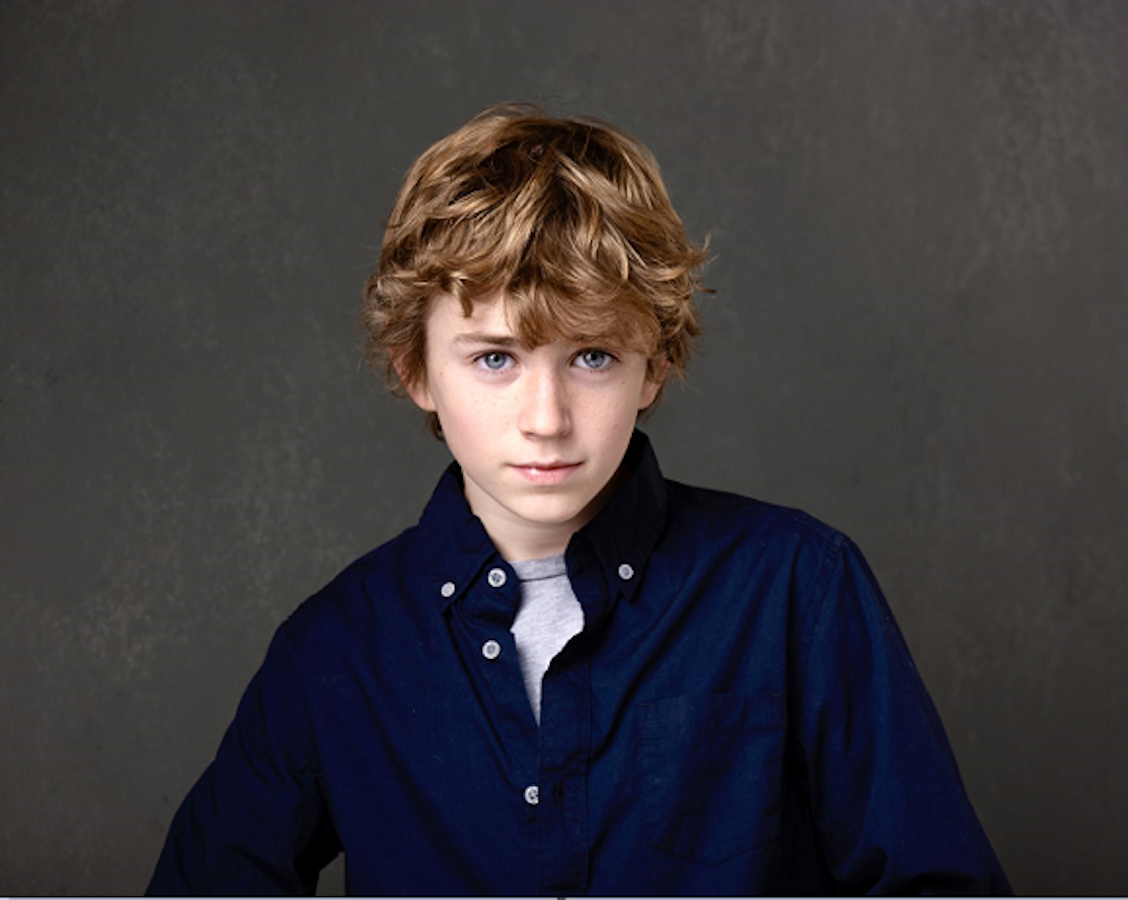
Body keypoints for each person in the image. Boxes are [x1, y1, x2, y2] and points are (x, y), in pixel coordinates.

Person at [147, 104, 1011, 896]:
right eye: (494, 359)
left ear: (656, 365)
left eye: (592, 356)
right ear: (416, 371)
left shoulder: (798, 588)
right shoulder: (333, 651)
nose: (546, 419)